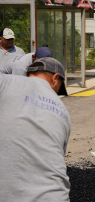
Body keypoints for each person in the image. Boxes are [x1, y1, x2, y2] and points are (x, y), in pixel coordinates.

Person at [0, 57, 70, 201]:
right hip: (54, 196)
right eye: (59, 87)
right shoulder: (64, 112)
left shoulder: (7, 82)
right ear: (55, 78)